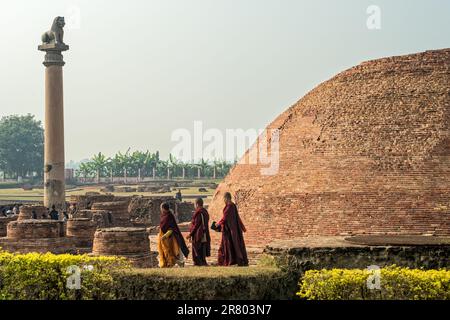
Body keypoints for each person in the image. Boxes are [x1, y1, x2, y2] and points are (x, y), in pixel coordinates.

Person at [211, 192, 248, 266]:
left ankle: (227, 261)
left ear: (226, 198)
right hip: (232, 229)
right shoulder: (233, 205)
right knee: (233, 245)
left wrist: (217, 224)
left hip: (229, 231)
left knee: (226, 246)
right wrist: (242, 227)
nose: (224, 201)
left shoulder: (229, 206)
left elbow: (225, 218)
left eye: (224, 199)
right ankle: (232, 261)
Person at [158, 202, 189, 268]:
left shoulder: (169, 216)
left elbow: (172, 228)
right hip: (164, 238)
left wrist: (165, 235)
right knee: (166, 252)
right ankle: (170, 264)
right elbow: (163, 225)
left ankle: (179, 263)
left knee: (170, 252)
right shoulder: (164, 215)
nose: (161, 210)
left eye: (161, 208)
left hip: (170, 238)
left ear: (163, 208)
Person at [186, 198, 211, 266]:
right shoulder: (205, 212)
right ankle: (202, 262)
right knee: (202, 248)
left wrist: (190, 234)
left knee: (197, 248)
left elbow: (196, 225)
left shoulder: (198, 212)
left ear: (197, 204)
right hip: (204, 233)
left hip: (198, 234)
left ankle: (199, 263)